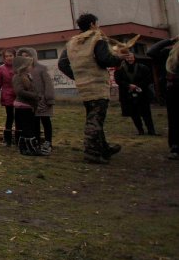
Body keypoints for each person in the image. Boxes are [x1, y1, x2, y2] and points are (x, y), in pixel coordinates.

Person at [58, 13, 128, 164]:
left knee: (93, 116)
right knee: (95, 120)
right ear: (92, 24)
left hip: (83, 86)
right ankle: (91, 152)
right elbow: (104, 59)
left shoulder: (72, 43)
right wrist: (119, 58)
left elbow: (62, 64)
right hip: (97, 85)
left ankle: (103, 148)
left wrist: (77, 76)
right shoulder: (97, 38)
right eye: (97, 23)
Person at [18, 47, 55, 153]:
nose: (25, 58)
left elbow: (49, 84)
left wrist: (49, 98)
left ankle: (48, 142)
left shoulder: (41, 69)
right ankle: (36, 141)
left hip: (43, 100)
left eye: (27, 56)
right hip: (30, 102)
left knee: (45, 121)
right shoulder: (21, 71)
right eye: (23, 56)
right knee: (34, 122)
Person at [148, 37, 179, 159]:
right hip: (174, 91)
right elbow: (151, 51)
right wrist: (171, 40)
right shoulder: (169, 55)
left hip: (173, 89)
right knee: (174, 119)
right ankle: (176, 146)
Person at [114, 50, 156, 136]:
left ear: (134, 58)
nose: (129, 59)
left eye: (131, 57)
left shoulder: (143, 67)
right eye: (127, 57)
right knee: (134, 113)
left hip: (142, 93)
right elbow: (118, 80)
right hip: (128, 94)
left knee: (146, 113)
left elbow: (148, 79)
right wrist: (129, 85)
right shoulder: (120, 69)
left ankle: (151, 131)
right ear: (125, 58)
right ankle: (140, 131)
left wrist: (137, 86)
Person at [12, 54, 44, 156]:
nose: (31, 67)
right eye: (30, 65)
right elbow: (19, 91)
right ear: (24, 66)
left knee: (28, 128)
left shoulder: (28, 76)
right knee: (28, 128)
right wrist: (35, 95)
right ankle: (32, 149)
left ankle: (24, 148)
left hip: (29, 105)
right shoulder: (18, 77)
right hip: (23, 106)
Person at [0, 48, 17, 147]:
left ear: (15, 56)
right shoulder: (1, 69)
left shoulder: (19, 67)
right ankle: (7, 139)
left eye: (10, 55)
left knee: (19, 117)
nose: (9, 58)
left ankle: (19, 137)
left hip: (20, 95)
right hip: (7, 95)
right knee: (10, 116)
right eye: (6, 56)